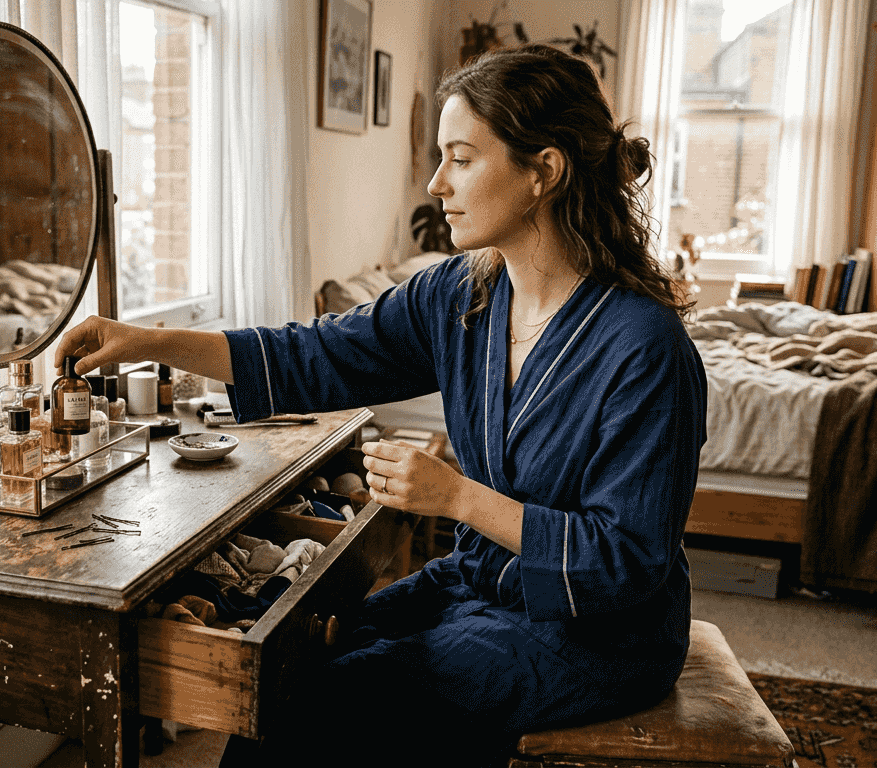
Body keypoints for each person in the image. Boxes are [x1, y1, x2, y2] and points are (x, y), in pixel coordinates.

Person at [54, 43, 706, 768]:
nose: (436, 183)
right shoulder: (462, 295)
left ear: (542, 172)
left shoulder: (644, 347)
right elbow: (314, 352)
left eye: (461, 158)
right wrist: (148, 338)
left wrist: (456, 498)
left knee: (324, 704)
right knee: (283, 655)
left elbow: (627, 561)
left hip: (600, 636)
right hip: (479, 583)